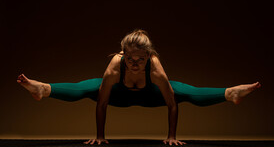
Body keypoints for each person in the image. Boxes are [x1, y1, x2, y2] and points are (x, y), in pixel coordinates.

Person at [17, 29, 261, 146]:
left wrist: (171, 137)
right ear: (124, 55)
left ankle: (231, 93)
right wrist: (101, 137)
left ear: (148, 56)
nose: (135, 64)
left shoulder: (154, 66)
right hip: (118, 97)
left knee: (185, 91)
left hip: (151, 96)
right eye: (131, 60)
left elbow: (171, 103)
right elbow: (102, 102)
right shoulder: (115, 64)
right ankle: (43, 89)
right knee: (89, 87)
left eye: (140, 60)